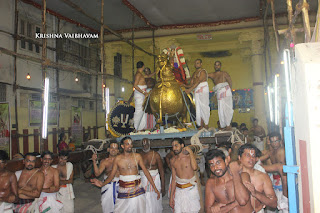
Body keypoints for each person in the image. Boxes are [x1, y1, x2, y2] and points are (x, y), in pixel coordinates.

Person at [91, 136, 160, 213]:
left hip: (137, 189)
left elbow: (146, 172)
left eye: (131, 144)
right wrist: (103, 184)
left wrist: (155, 188)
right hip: (124, 190)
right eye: (127, 144)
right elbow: (111, 175)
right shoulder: (118, 159)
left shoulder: (137, 156)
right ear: (122, 146)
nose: (130, 146)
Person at [238, 144, 277, 212]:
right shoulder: (234, 175)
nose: (251, 158)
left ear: (256, 159)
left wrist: (256, 193)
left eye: (253, 156)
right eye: (247, 155)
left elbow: (274, 203)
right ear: (239, 158)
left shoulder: (263, 177)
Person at [169, 138, 200, 213]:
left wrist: (191, 153)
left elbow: (195, 168)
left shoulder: (189, 157)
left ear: (182, 145)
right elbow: (173, 179)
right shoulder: (173, 160)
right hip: (179, 191)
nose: (174, 148)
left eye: (176, 145)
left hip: (191, 190)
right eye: (173, 146)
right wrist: (171, 197)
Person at [260, 132, 288, 212]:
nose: (275, 144)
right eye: (272, 141)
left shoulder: (282, 151)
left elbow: (282, 171)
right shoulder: (271, 152)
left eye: (276, 141)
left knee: (284, 206)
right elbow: (258, 160)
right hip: (276, 181)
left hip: (283, 181)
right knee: (277, 205)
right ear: (270, 142)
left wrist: (285, 195)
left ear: (280, 141)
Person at [92, 142, 120, 213]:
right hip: (108, 186)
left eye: (115, 148)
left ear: (118, 150)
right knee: (107, 207)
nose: (113, 150)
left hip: (119, 185)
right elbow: (97, 174)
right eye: (112, 148)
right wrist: (94, 161)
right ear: (108, 149)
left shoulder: (121, 160)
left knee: (120, 208)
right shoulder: (104, 162)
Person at [140, 138, 165, 213]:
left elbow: (162, 171)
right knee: (145, 198)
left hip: (155, 179)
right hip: (143, 179)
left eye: (146, 144)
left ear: (150, 144)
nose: (145, 146)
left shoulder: (156, 155)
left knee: (155, 198)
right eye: (143, 145)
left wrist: (163, 186)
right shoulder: (139, 155)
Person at [185, 59, 210, 129]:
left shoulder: (203, 72)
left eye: (198, 63)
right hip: (196, 90)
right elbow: (191, 84)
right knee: (198, 108)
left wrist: (190, 89)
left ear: (201, 64)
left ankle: (206, 124)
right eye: (195, 63)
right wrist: (183, 86)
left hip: (202, 89)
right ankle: (200, 125)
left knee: (204, 106)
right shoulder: (194, 73)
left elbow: (198, 81)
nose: (196, 64)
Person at [208, 61, 233, 130]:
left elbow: (230, 82)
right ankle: (223, 125)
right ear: (214, 66)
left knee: (228, 108)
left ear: (220, 66)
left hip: (226, 90)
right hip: (219, 92)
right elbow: (205, 75)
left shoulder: (224, 73)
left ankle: (228, 125)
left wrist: (229, 91)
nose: (217, 66)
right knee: (221, 109)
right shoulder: (213, 75)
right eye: (215, 65)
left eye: (218, 65)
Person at [133, 61, 156, 131]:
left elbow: (148, 76)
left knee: (143, 110)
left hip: (142, 95)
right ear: (143, 66)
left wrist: (156, 71)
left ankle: (143, 126)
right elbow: (135, 85)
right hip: (140, 95)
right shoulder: (138, 75)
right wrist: (143, 92)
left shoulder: (140, 74)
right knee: (139, 110)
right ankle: (138, 127)